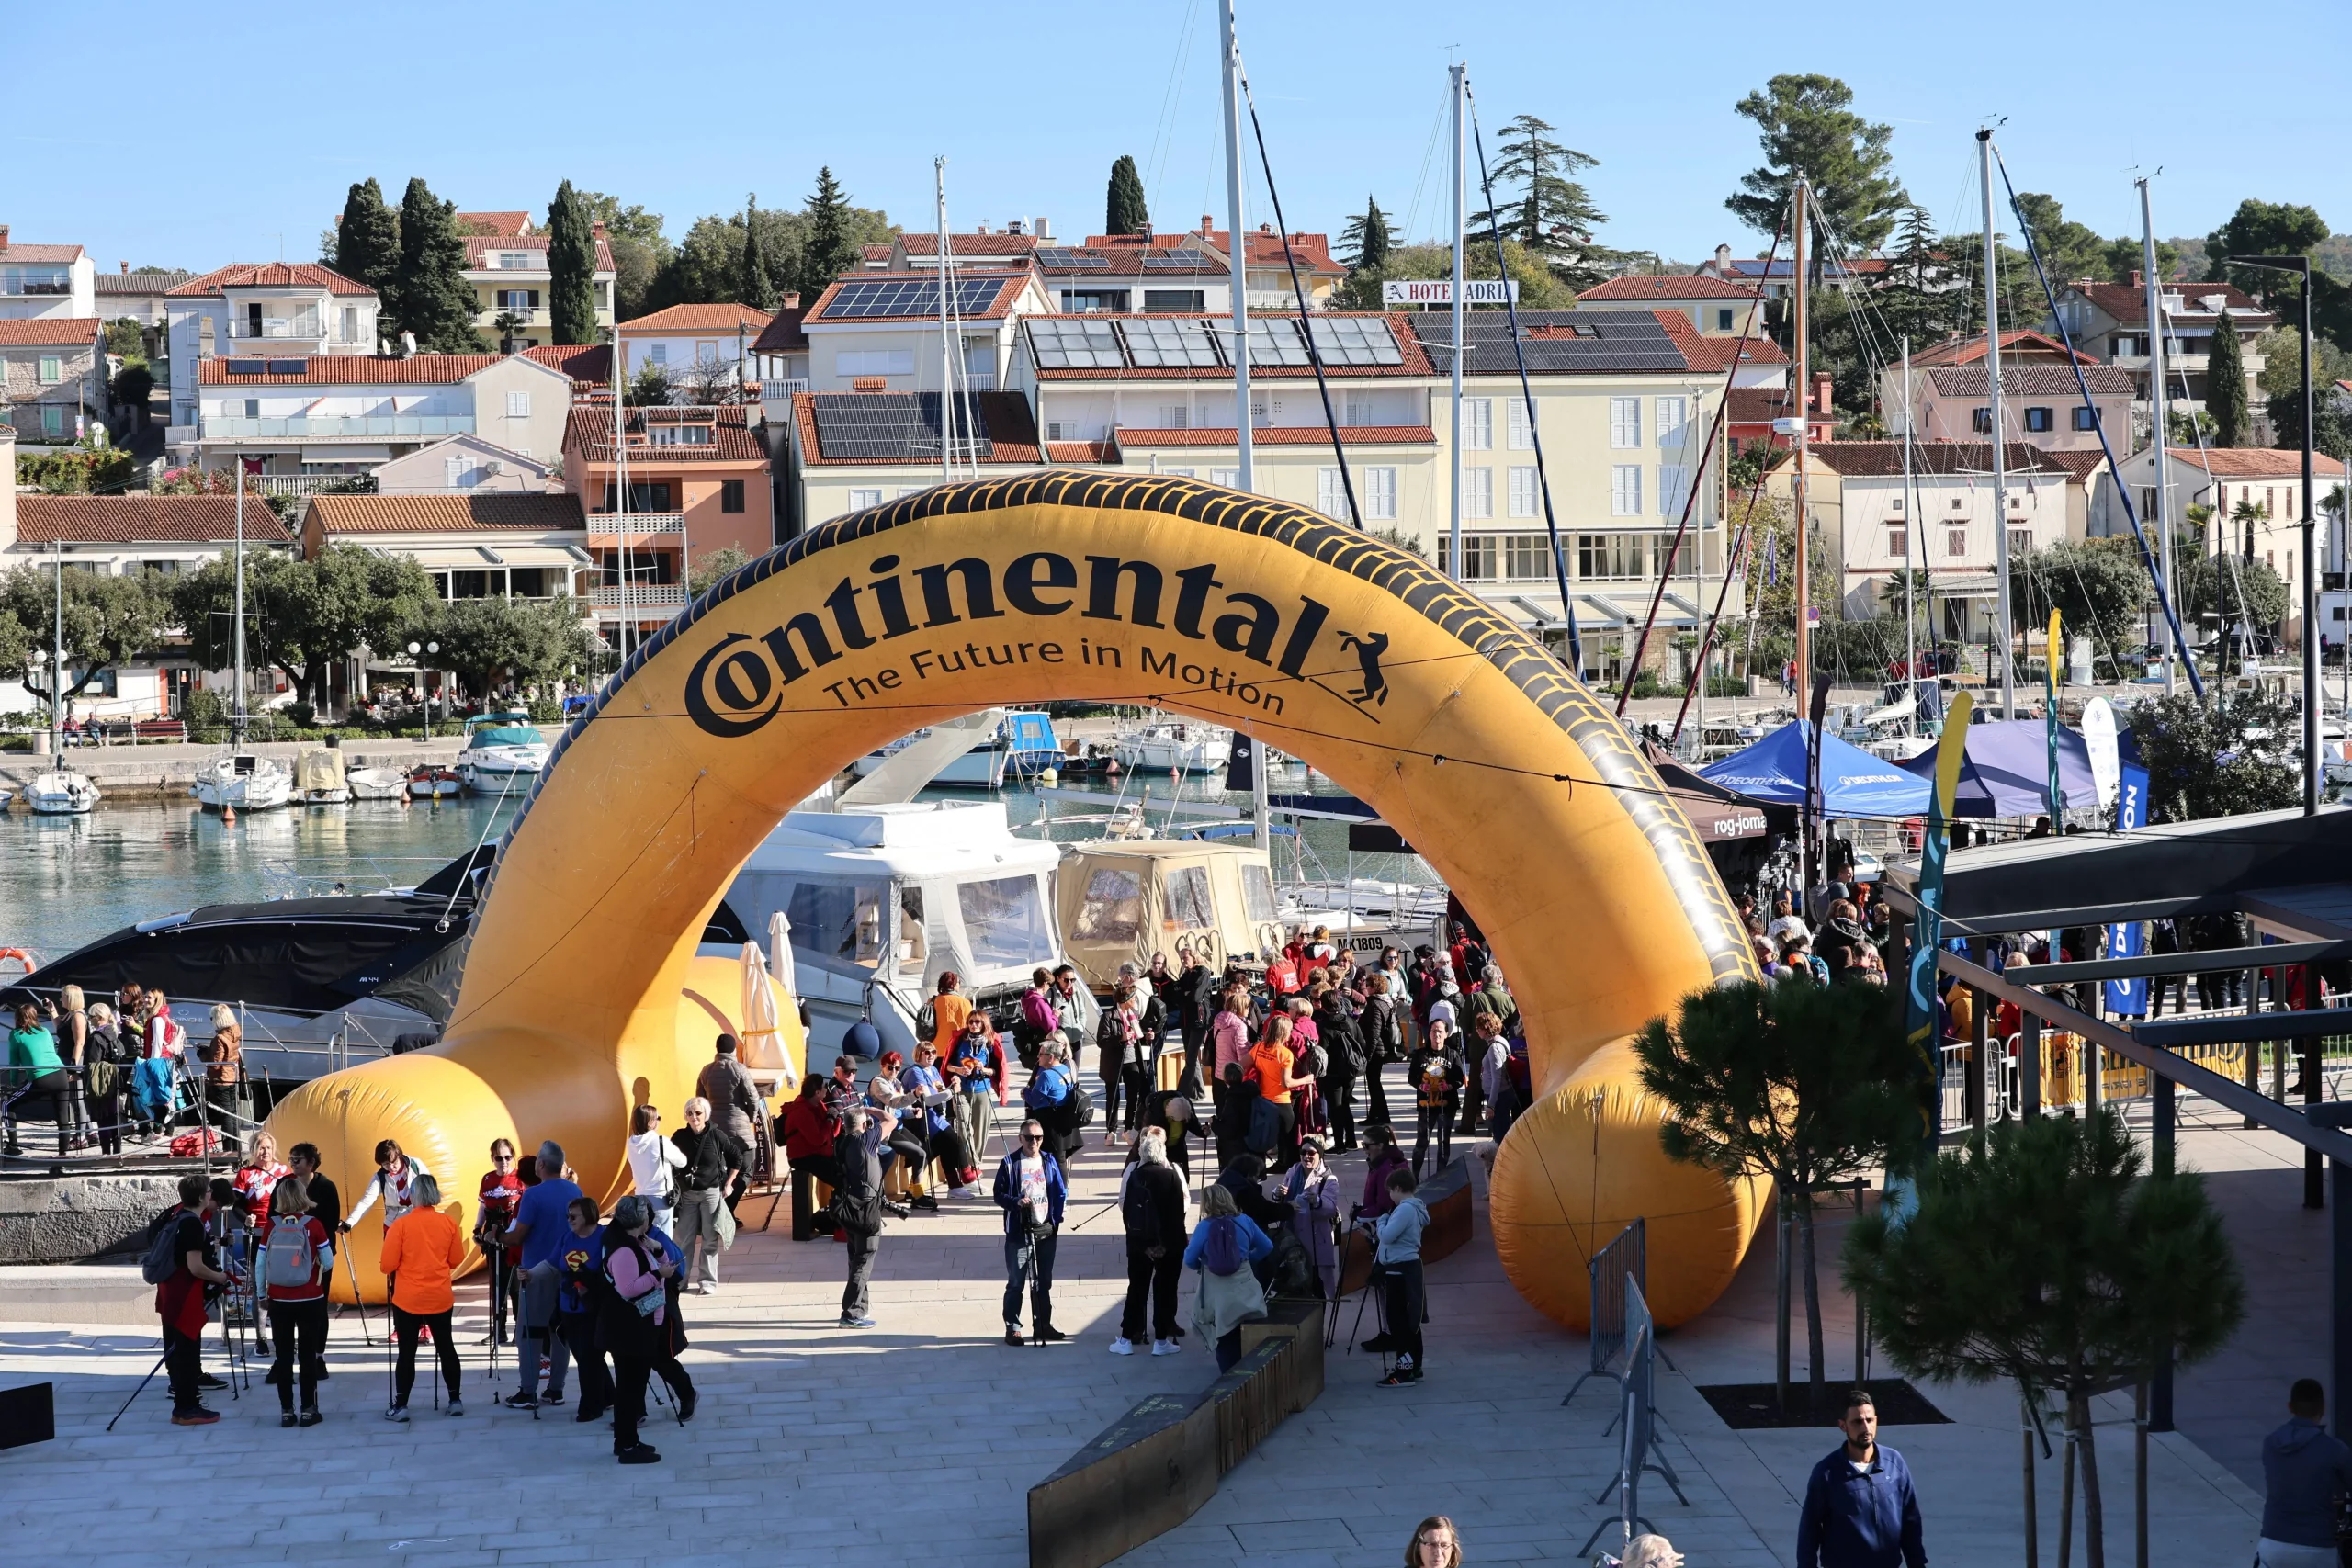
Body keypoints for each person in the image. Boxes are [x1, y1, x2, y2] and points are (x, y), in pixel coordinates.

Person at [1795, 1388, 1927, 1568]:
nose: (1865, 1428)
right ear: (1843, 1426)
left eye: (1869, 1420)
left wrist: (1917, 1562)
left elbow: (1910, 1518)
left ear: (1876, 1421)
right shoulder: (1827, 1472)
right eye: (1857, 1422)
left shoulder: (1894, 1462)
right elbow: (1810, 1528)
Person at [500, 1140, 582, 1410]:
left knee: (529, 1333)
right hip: (566, 1269)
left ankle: (528, 1390)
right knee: (560, 1333)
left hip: (535, 1273)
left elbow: (518, 1236)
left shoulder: (533, 1195)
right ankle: (556, 1389)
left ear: (542, 1164)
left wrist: (497, 1235)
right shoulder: (574, 1190)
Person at [379, 1172, 465, 1420]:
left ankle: (401, 1405)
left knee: (407, 1352)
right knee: (446, 1347)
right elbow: (456, 1259)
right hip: (440, 1296)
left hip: (408, 1298)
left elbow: (387, 1265)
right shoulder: (448, 1223)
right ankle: (455, 1400)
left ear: (413, 1195)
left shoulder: (401, 1225)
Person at [597, 1195, 674, 1465]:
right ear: (642, 1220)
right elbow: (627, 1288)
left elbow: (661, 1265)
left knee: (632, 1389)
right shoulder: (624, 1251)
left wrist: (658, 1251)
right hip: (629, 1329)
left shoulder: (634, 1241)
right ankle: (627, 1446)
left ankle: (628, 1440)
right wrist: (658, 1275)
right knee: (629, 1390)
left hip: (638, 1325)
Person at [155, 1170, 235, 1425]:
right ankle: (186, 1408)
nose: (212, 1195)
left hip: (171, 1291)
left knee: (182, 1349)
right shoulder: (192, 1223)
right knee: (187, 1352)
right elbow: (195, 1266)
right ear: (202, 1197)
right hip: (184, 1294)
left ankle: (184, 1406)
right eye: (209, 1192)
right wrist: (219, 1277)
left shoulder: (179, 1215)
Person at [258, 1174, 330, 1427]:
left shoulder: (272, 1225)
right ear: (303, 1196)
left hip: (279, 1299)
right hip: (310, 1297)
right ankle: (309, 1409)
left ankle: (286, 1411)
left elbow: (260, 1264)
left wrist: (261, 1294)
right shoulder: (314, 1225)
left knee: (284, 1356)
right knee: (308, 1355)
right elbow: (328, 1261)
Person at [2257, 1379, 2352, 1568]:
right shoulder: (2335, 1450)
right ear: (2322, 1408)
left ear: (2290, 1407)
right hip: (2317, 1547)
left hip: (2273, 1542)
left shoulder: (2270, 1444)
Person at [993, 1117, 1069, 1345]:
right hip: (1019, 1233)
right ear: (1020, 1138)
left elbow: (1060, 1191)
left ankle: (1043, 1325)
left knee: (1043, 1282)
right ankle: (1013, 1328)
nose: (1033, 1142)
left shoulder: (1049, 1161)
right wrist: (1015, 1202)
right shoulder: (1009, 1163)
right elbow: (998, 1194)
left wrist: (1056, 1219)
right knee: (1016, 1282)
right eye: (1029, 1137)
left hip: (1046, 1230)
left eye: (1038, 1137)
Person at [1113, 1125, 1187, 1356]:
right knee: (1164, 1291)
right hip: (1168, 1245)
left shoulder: (1135, 1175)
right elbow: (1178, 1212)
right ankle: (1161, 1341)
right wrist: (1165, 1244)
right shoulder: (1171, 1175)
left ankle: (1126, 1339)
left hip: (1139, 1244)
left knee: (1137, 1290)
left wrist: (1142, 1243)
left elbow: (1127, 1210)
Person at [1184, 1184, 1271, 1371]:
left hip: (1217, 1289)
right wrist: (1247, 1260)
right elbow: (1267, 1246)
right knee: (1247, 1334)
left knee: (1223, 1336)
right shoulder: (1245, 1221)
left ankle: (1229, 1379)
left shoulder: (1204, 1227)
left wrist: (1202, 1267)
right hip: (1245, 1285)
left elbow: (1189, 1259)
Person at [670, 1096, 746, 1293]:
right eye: (690, 1113)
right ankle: (680, 1281)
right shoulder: (679, 1137)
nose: (694, 1117)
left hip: (711, 1193)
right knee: (682, 1240)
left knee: (710, 1239)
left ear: (706, 1114)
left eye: (698, 1113)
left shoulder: (716, 1135)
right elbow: (668, 1161)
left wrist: (729, 1183)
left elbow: (737, 1157)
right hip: (687, 1195)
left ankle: (707, 1283)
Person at [552, 1196, 615, 1425]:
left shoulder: (605, 1237)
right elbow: (552, 1263)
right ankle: (608, 1395)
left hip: (594, 1307)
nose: (569, 1220)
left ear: (588, 1215)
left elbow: (612, 1271)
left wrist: (591, 1284)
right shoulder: (567, 1237)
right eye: (568, 1216)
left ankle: (590, 1407)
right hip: (568, 1306)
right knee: (584, 1356)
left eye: (573, 1216)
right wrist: (530, 1274)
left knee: (589, 1356)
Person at [833, 1103, 890, 1329]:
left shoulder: (842, 1142)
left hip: (850, 1208)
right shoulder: (865, 1140)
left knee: (856, 1259)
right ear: (864, 1125)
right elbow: (891, 1120)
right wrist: (872, 1110)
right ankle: (851, 1313)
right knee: (864, 1260)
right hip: (867, 1210)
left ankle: (860, 1308)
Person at [1373, 1165, 1430, 1385]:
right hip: (1406, 1269)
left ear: (1397, 1188)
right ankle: (1415, 1366)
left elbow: (1387, 1236)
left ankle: (1403, 1372)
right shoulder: (1413, 1208)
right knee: (1409, 1321)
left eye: (1390, 1191)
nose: (1390, 1196)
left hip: (1401, 1272)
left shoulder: (1405, 1209)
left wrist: (1381, 1222)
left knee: (1399, 1322)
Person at [694, 1034, 763, 1208]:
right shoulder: (739, 1069)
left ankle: (721, 1211)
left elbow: (700, 1102)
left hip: (715, 1132)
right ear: (733, 1050)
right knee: (745, 1170)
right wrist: (751, 1117)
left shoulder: (706, 1071)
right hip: (739, 1133)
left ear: (717, 1049)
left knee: (719, 1173)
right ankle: (728, 1209)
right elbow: (753, 1098)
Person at [939, 1010, 1004, 1182]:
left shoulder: (990, 1043)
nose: (973, 1025)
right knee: (963, 1127)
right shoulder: (960, 1040)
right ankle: (970, 1166)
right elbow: (947, 1065)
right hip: (961, 1089)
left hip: (982, 1089)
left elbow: (996, 1070)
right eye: (971, 1022)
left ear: (984, 1023)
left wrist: (984, 1069)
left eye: (977, 1022)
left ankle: (975, 1164)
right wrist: (958, 1070)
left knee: (980, 1130)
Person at [900, 1041, 974, 1191]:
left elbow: (941, 1093)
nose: (931, 1055)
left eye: (933, 1052)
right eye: (927, 1052)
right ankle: (966, 1179)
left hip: (937, 1117)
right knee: (953, 1141)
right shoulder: (915, 1072)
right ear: (918, 1054)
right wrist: (951, 1091)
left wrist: (953, 1084)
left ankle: (954, 1186)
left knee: (944, 1146)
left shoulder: (933, 1070)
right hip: (923, 1119)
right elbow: (928, 1100)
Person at [781, 1075, 845, 1240]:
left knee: (845, 1174)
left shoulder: (817, 1105)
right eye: (824, 1088)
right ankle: (834, 1221)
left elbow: (831, 1135)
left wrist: (835, 1119)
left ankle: (836, 1218)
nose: (826, 1091)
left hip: (817, 1152)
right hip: (803, 1156)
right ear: (817, 1092)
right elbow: (818, 1139)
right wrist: (830, 1119)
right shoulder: (802, 1111)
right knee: (841, 1180)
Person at [5, 1000, 73, 1158]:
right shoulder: (44, 1031)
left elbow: (14, 1064)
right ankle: (63, 1155)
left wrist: (13, 1084)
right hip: (60, 1074)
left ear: (17, 1018)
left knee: (7, 1104)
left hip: (41, 1077)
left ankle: (13, 1146)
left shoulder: (16, 1034)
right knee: (62, 1117)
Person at [1278, 1135, 1342, 1299]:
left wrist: (1318, 1202)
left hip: (1316, 1241)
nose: (1306, 1156)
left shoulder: (1329, 1179)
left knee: (1317, 1287)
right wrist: (1278, 1194)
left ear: (1320, 1154)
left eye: (1311, 1153)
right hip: (1292, 1237)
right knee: (1293, 1286)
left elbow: (1330, 1209)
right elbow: (1283, 1197)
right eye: (1303, 1152)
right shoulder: (1293, 1171)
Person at [474, 1139, 526, 1345]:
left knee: (515, 1286)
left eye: (507, 1157)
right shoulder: (487, 1179)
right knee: (497, 1286)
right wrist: (477, 1228)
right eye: (498, 1158)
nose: (503, 1162)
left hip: (513, 1235)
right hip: (492, 1235)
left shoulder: (520, 1179)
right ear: (492, 1159)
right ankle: (499, 1330)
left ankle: (520, 1330)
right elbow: (482, 1206)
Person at [1250, 1012, 1313, 1172]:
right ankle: (1286, 1167)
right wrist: (1306, 1080)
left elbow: (1240, 1065)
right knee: (1287, 1140)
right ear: (1285, 1032)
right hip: (1281, 1102)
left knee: (1270, 1137)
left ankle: (1276, 1165)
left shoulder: (1259, 1048)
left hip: (1264, 1100)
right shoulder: (1285, 1054)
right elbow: (1287, 1083)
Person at [1095, 976, 1153, 1146]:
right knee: (1113, 1097)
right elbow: (1101, 1041)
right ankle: (1111, 1130)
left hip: (1132, 1059)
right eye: (1133, 998)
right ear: (1126, 1000)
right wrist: (1120, 1038)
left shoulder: (1133, 1016)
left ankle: (1128, 1129)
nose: (1135, 1001)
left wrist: (1147, 1037)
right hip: (1113, 1061)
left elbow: (1138, 1037)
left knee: (1133, 1095)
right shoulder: (1108, 1016)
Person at [1408, 1020, 1464, 1178]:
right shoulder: (1420, 1054)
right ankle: (1414, 1177)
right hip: (1426, 1105)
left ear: (1446, 1034)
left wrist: (1449, 1086)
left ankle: (1440, 1176)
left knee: (1443, 1141)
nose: (1436, 1034)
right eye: (1433, 1031)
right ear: (1429, 1033)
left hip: (1447, 1106)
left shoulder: (1452, 1054)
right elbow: (1411, 1078)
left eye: (1440, 1031)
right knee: (1421, 1142)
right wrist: (1420, 1086)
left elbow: (1460, 1079)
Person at [343, 1139, 433, 1235]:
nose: (391, 1168)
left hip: (417, 1222)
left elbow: (430, 1191)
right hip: (393, 1225)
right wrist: (349, 1222)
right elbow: (366, 1201)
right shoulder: (380, 1177)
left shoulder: (415, 1166)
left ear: (399, 1155)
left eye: (394, 1162)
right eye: (385, 1164)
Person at [1314, 987, 1366, 1153]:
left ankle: (1339, 1145)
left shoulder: (1324, 1026)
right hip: (1351, 1069)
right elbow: (1362, 1043)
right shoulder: (1350, 1021)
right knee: (1345, 1105)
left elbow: (1322, 1051)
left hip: (1332, 1073)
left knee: (1336, 1108)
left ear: (1323, 1005)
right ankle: (1351, 1140)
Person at [622, 1103, 684, 1235]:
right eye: (658, 1118)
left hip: (640, 1197)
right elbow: (682, 1161)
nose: (659, 1121)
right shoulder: (660, 1141)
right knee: (663, 1240)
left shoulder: (630, 1143)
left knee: (645, 1239)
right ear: (650, 1122)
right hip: (660, 1198)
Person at [1023, 1039, 1083, 1168]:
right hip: (1064, 1120)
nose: (1038, 1057)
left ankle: (1059, 1181)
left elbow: (1033, 1100)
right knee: (1060, 1160)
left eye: (1041, 1054)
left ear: (1050, 1057)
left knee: (1054, 1161)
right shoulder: (1063, 1068)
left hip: (1051, 1125)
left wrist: (1025, 1092)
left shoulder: (1047, 1075)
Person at [1172, 943, 1218, 1096]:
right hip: (1186, 1020)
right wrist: (1185, 994)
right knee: (1190, 1056)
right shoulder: (1185, 975)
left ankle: (1183, 1091)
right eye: (1181, 958)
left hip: (1199, 1020)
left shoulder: (1202, 972)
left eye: (1185, 957)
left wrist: (1186, 994)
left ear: (1194, 957)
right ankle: (1198, 1091)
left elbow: (1196, 996)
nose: (1183, 961)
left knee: (1191, 1057)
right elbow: (1177, 996)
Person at [199, 1004, 244, 1154]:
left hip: (221, 1079)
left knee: (226, 1115)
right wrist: (209, 1050)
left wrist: (202, 1054)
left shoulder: (219, 1038)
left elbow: (215, 1064)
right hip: (233, 1076)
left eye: (212, 1018)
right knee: (233, 1114)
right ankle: (237, 1148)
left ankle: (227, 1150)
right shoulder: (235, 1033)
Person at [84, 998, 126, 1155]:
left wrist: (81, 1076)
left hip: (100, 1084)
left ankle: (106, 1153)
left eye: (91, 1016)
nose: (89, 1019)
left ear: (99, 1018)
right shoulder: (114, 1034)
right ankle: (117, 1152)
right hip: (115, 1083)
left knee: (103, 1120)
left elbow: (91, 1064)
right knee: (114, 1118)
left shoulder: (96, 1038)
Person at [1356, 1125, 1408, 1223]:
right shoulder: (1378, 1163)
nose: (1364, 1150)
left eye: (1366, 1146)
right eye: (1362, 1144)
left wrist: (1358, 1215)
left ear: (1380, 1146)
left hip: (1383, 1225)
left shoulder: (1385, 1169)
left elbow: (1383, 1208)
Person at [927, 971, 973, 1057]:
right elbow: (971, 1026)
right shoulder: (965, 1003)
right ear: (954, 985)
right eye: (959, 983)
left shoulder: (932, 1001)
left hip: (935, 1050)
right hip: (958, 1049)